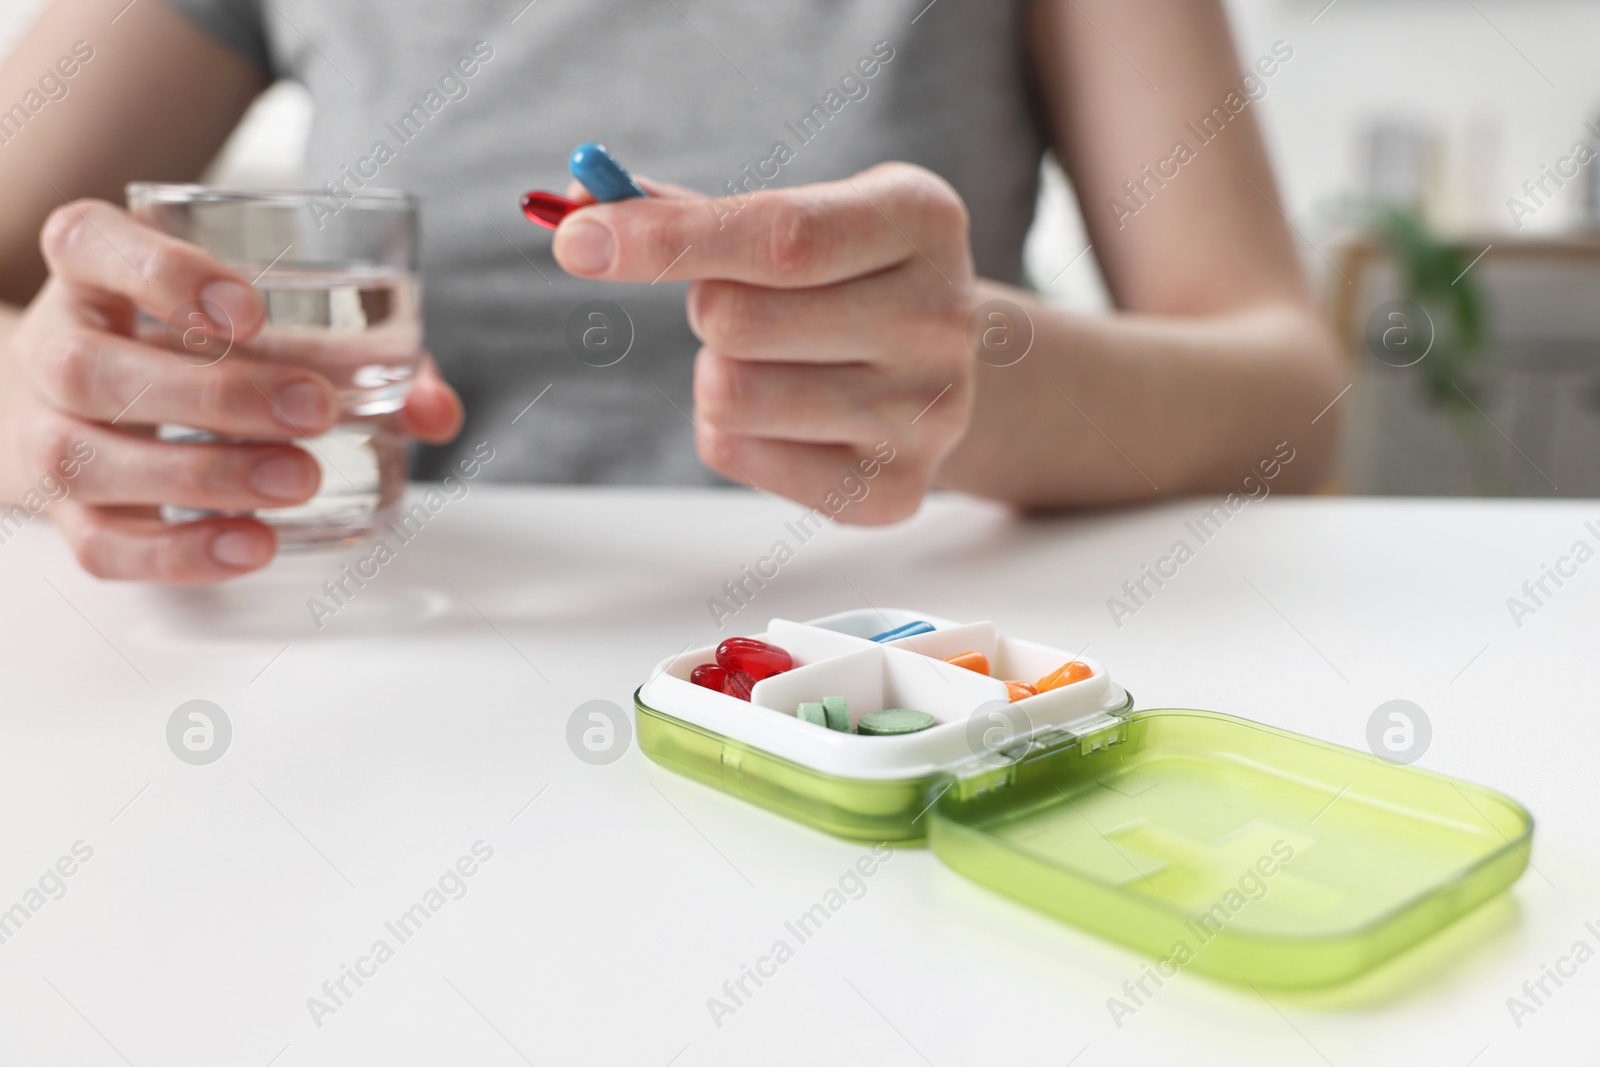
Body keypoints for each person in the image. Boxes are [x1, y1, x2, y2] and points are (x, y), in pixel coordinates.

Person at [0, 0, 1343, 584]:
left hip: (898, 661)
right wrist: (50, 407)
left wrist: (975, 378)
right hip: (399, 674)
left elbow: (1296, 397)